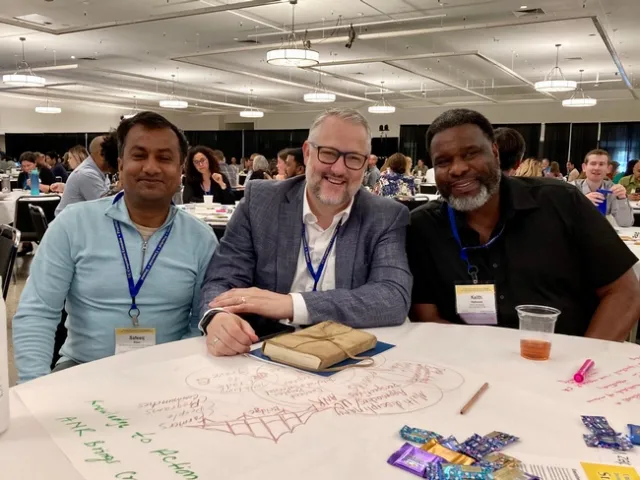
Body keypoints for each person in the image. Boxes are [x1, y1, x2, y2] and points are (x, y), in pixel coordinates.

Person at [12, 111, 218, 383]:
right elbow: (38, 311)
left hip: (170, 374)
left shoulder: (201, 238)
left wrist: (180, 373)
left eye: (165, 158)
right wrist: (34, 387)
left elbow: (198, 323)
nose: (151, 167)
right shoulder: (73, 225)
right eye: (139, 155)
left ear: (181, 170)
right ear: (120, 165)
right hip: (82, 367)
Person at [407, 108, 640, 341]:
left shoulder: (560, 202)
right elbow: (427, 317)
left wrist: (585, 361)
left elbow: (625, 292)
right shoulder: (424, 227)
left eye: (470, 154)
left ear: (495, 153)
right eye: (443, 161)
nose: (457, 169)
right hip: (470, 367)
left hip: (565, 364)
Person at [198, 108, 412, 357]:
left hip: (347, 355)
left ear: (366, 164)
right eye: (329, 153)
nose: (339, 169)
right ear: (308, 152)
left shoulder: (385, 215)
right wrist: (217, 317)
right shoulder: (260, 201)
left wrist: (292, 305)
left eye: (353, 158)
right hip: (262, 350)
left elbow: (392, 297)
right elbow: (222, 280)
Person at [53, 135, 116, 216]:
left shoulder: (100, 173)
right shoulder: (86, 174)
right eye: (115, 155)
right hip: (70, 226)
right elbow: (107, 208)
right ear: (101, 154)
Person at [571, 149, 633, 227]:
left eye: (601, 164)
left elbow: (625, 223)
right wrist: (582, 202)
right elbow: (561, 219)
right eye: (593, 163)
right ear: (584, 167)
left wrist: (622, 198)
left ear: (608, 169)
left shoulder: (613, 190)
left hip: (602, 234)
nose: (597, 168)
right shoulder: (571, 188)